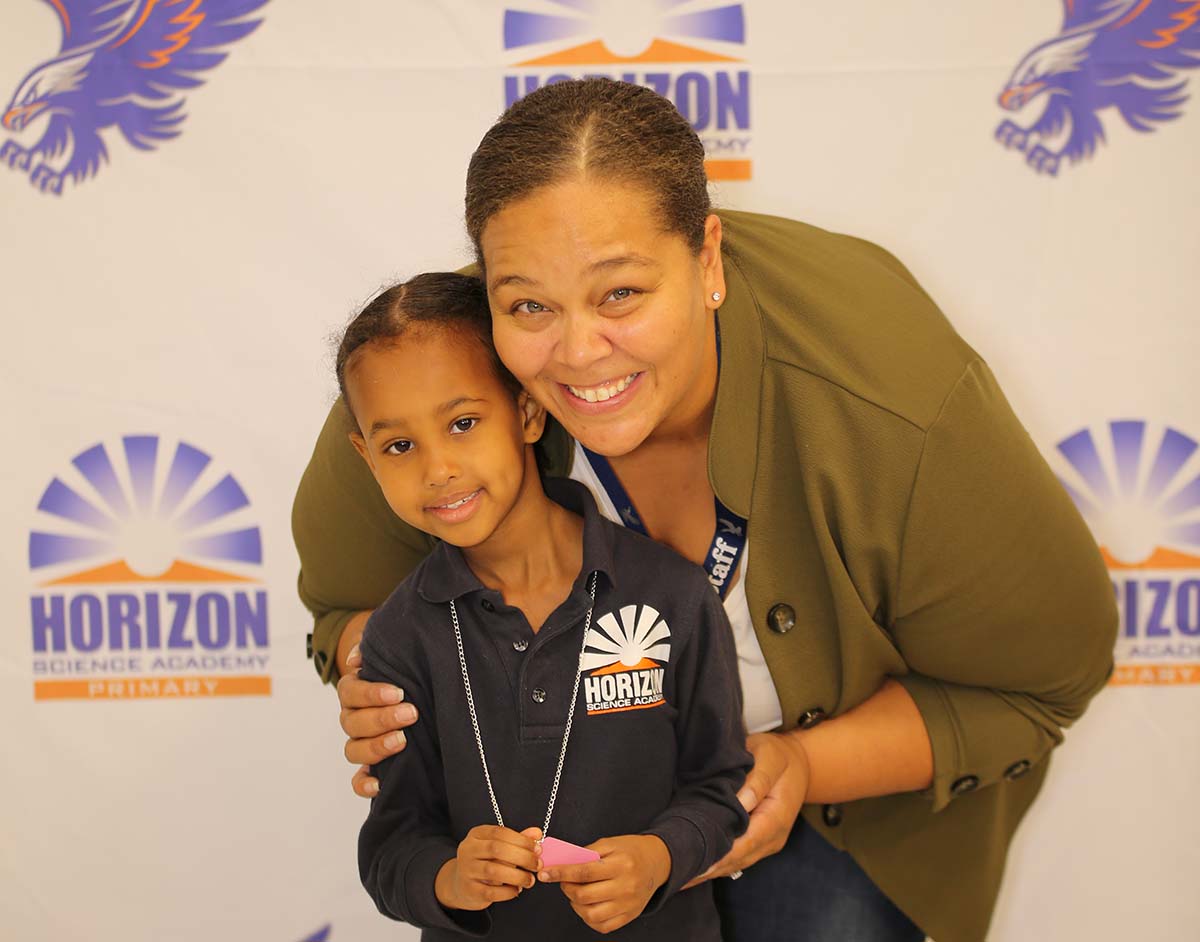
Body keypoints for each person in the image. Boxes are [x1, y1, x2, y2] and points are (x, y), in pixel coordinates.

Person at [293, 79, 1118, 942]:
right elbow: (347, 607)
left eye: (620, 293)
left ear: (708, 259)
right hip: (563, 826)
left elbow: (1044, 681)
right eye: (528, 304)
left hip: (839, 812)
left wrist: (803, 764)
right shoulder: (434, 371)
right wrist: (378, 673)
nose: (577, 352)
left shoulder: (897, 404)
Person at [338, 271, 752, 940]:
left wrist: (659, 857)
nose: (437, 469)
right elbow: (392, 848)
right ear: (366, 457)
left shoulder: (670, 593)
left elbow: (720, 787)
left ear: (528, 412)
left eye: (463, 423)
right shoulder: (398, 636)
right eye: (400, 446)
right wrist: (450, 878)